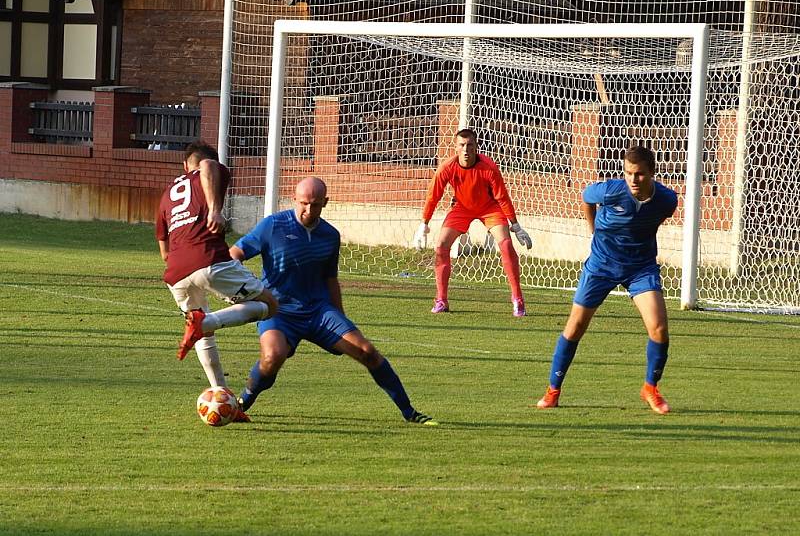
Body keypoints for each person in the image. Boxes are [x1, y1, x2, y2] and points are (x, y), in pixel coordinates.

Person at [230, 176, 438, 426]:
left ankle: (410, 412)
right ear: (294, 199)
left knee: (368, 352)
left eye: (315, 204)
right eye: (304, 203)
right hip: (279, 311)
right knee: (273, 357)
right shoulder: (272, 226)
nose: (308, 210)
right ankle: (242, 403)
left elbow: (330, 280)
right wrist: (237, 283)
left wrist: (341, 317)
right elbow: (236, 253)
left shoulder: (329, 235)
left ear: (325, 203)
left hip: (319, 311)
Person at [535, 145, 678, 415]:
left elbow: (656, 219)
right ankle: (553, 391)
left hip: (640, 268)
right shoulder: (611, 190)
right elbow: (586, 197)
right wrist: (593, 228)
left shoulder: (667, 200)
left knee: (659, 328)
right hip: (601, 265)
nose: (633, 180)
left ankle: (650, 388)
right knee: (575, 327)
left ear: (653, 173)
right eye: (628, 173)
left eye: (640, 174)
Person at [155, 140, 278, 396]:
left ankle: (221, 395)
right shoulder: (211, 167)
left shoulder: (168, 193)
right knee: (270, 305)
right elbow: (209, 165)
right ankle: (207, 321)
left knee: (202, 334)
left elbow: (164, 251)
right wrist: (214, 211)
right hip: (209, 260)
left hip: (175, 275)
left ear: (182, 166)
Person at [413, 128, 533, 316]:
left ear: (476, 147)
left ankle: (518, 300)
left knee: (506, 244)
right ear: (456, 147)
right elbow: (433, 196)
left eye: (470, 145)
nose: (466, 149)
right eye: (462, 145)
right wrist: (423, 224)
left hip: (489, 208)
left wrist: (515, 226)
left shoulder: (489, 166)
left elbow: (502, 196)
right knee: (441, 246)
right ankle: (441, 300)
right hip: (462, 207)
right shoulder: (447, 167)